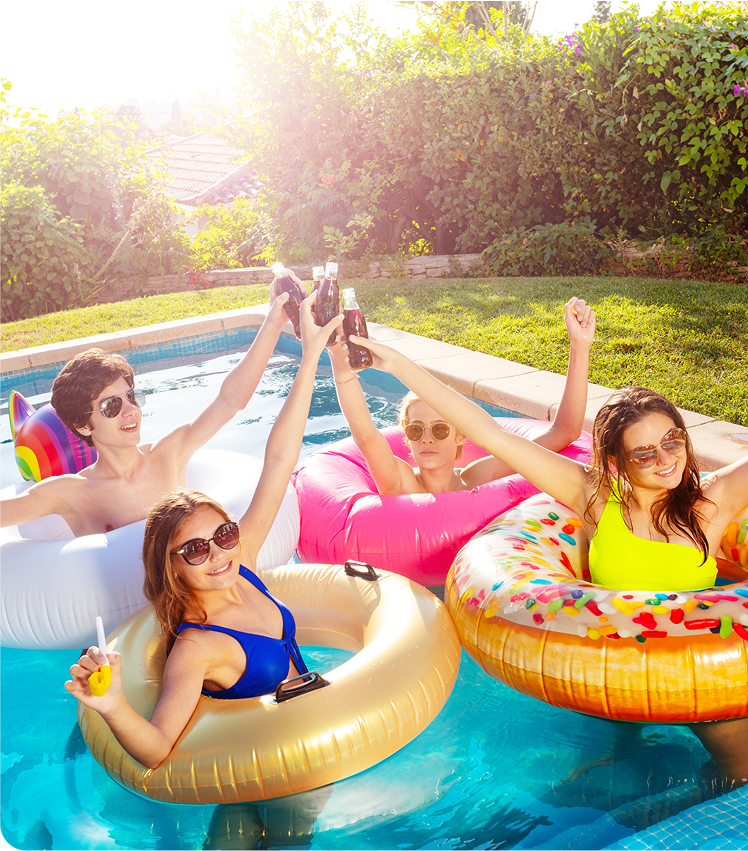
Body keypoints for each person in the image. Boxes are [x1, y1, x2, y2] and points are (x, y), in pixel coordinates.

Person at [344, 332, 748, 789]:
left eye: (673, 440)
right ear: (616, 461)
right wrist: (397, 364)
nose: (666, 460)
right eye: (644, 452)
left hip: (699, 673)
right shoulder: (593, 497)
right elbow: (485, 429)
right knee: (618, 769)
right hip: (614, 667)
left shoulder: (712, 502)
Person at [64, 293, 343, 769]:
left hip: (310, 739)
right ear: (171, 565)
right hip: (267, 765)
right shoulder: (198, 646)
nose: (217, 555)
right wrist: (111, 705)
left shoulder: (242, 565)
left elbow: (278, 460)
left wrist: (311, 355)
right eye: (194, 549)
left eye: (224, 535)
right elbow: (156, 750)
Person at [1, 276, 301, 537]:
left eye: (132, 397)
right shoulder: (70, 493)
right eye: (111, 405)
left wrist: (274, 320)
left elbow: (230, 400)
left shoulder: (168, 455)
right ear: (82, 424)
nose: (130, 411)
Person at [327, 297, 596, 495]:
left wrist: (580, 346)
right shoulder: (401, 482)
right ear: (407, 439)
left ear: (460, 435)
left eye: (441, 428)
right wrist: (339, 360)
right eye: (416, 430)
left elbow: (564, 432)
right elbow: (365, 434)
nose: (427, 438)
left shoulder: (478, 477)